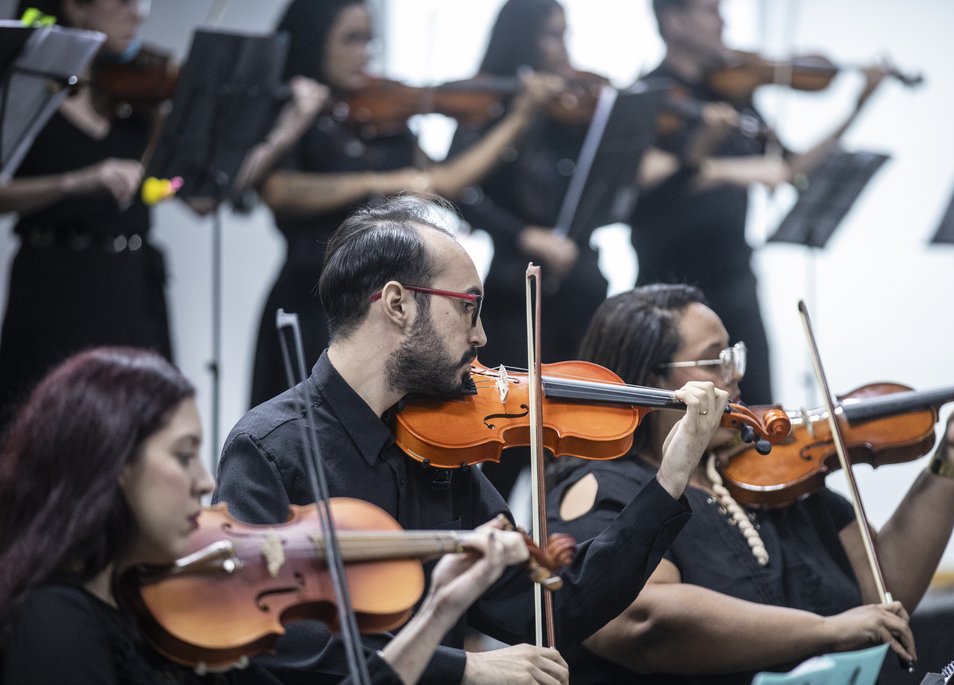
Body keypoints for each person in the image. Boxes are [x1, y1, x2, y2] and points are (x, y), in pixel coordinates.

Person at [214, 194, 730, 685]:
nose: (482, 336)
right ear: (397, 304)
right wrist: (464, 670)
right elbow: (281, 640)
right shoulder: (268, 449)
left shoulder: (441, 450)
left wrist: (671, 475)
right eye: (467, 307)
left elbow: (552, 608)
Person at [546, 283, 954, 684]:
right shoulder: (601, 487)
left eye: (734, 356)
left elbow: (885, 589)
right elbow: (643, 618)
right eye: (714, 362)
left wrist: (952, 451)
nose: (734, 376)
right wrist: (826, 630)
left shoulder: (775, 470)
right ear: (648, 380)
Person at [0, 346, 537, 685]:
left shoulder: (181, 613)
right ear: (112, 465)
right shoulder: (56, 627)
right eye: (183, 455)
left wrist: (440, 611)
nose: (206, 482)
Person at [0, 0, 327, 430]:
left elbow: (202, 197)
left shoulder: (144, 102)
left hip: (132, 285)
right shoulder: (27, 91)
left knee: (139, 431)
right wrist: (76, 182)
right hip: (54, 285)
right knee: (45, 431)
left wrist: (286, 131)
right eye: (121, 2)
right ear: (76, 9)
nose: (137, 13)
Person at [248, 0, 562, 408]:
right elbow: (279, 191)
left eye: (369, 41)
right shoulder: (291, 111)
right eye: (351, 39)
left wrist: (517, 119)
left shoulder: (384, 115)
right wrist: (378, 181)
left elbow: (446, 181)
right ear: (315, 40)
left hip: (381, 305)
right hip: (310, 297)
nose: (364, 54)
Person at [630, 0, 892, 405]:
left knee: (758, 410)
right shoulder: (651, 96)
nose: (723, 21)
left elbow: (787, 168)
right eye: (710, 10)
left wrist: (856, 109)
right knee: (678, 413)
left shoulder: (733, 91)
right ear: (675, 21)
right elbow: (649, 178)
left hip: (733, 275)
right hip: (667, 290)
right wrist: (726, 160)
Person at [446, 0, 613, 501]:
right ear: (522, 40)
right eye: (550, 36)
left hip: (581, 290)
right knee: (512, 436)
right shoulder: (491, 106)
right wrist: (521, 234)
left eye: (564, 35)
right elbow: (457, 187)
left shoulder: (573, 109)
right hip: (515, 292)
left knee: (582, 441)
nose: (562, 50)